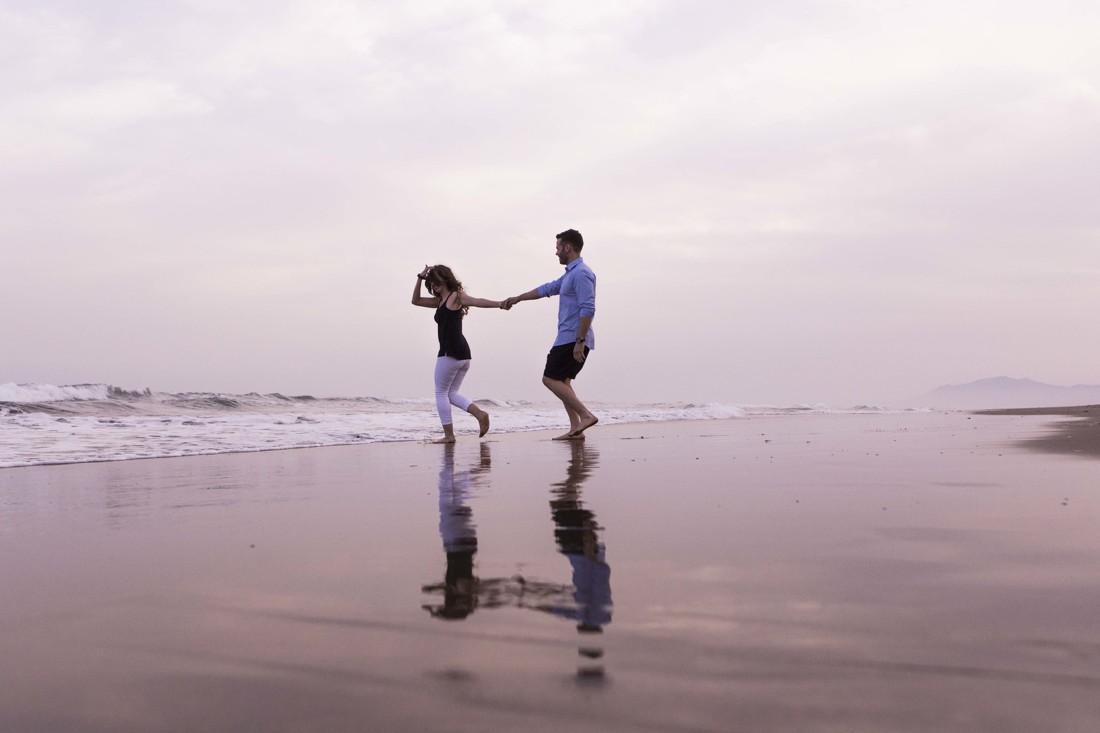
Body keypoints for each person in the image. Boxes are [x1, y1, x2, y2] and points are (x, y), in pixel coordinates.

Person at [501, 229, 598, 440]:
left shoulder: (581, 273)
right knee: (563, 380)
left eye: (557, 248)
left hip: (572, 338)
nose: (556, 253)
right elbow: (546, 289)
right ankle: (576, 430)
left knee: (549, 379)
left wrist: (579, 341)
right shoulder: (570, 275)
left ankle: (586, 415)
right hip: (569, 337)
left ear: (567, 247)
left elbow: (588, 308)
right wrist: (518, 298)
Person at [412, 264, 500, 443]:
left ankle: (449, 436)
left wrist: (499, 304)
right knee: (451, 393)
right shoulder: (440, 301)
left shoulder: (455, 297)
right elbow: (416, 301)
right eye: (431, 282)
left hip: (450, 352)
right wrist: (420, 278)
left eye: (435, 280)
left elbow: (478, 301)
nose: (433, 284)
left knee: (440, 393)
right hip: (462, 354)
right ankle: (480, 415)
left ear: (445, 278)